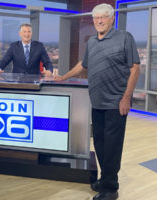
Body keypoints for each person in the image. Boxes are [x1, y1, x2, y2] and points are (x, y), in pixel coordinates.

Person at [54, 4, 140, 200]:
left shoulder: (125, 38)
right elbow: (83, 66)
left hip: (116, 104)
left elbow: (135, 68)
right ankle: (105, 179)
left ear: (111, 19)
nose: (99, 21)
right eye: (96, 18)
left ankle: (110, 189)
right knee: (100, 145)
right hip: (97, 103)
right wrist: (63, 77)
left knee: (112, 147)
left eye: (103, 17)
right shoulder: (92, 41)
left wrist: (126, 97)